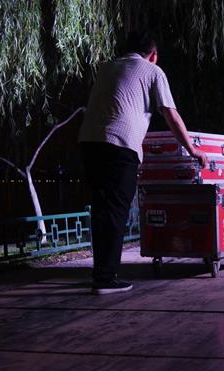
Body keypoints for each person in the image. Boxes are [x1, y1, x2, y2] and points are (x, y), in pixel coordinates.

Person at [79, 32, 207, 295]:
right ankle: (105, 279)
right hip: (119, 146)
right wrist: (192, 149)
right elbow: (171, 115)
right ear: (153, 55)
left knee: (101, 211)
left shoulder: (107, 68)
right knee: (116, 211)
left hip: (88, 144)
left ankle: (101, 273)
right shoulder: (153, 71)